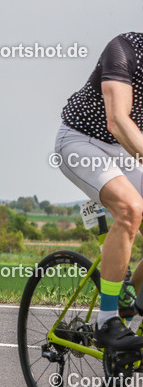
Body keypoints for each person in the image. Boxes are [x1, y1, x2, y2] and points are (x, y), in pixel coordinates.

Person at [55, 32, 143, 350]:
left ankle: (127, 297)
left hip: (127, 151)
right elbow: (118, 120)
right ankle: (107, 321)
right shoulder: (125, 50)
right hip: (82, 141)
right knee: (131, 208)